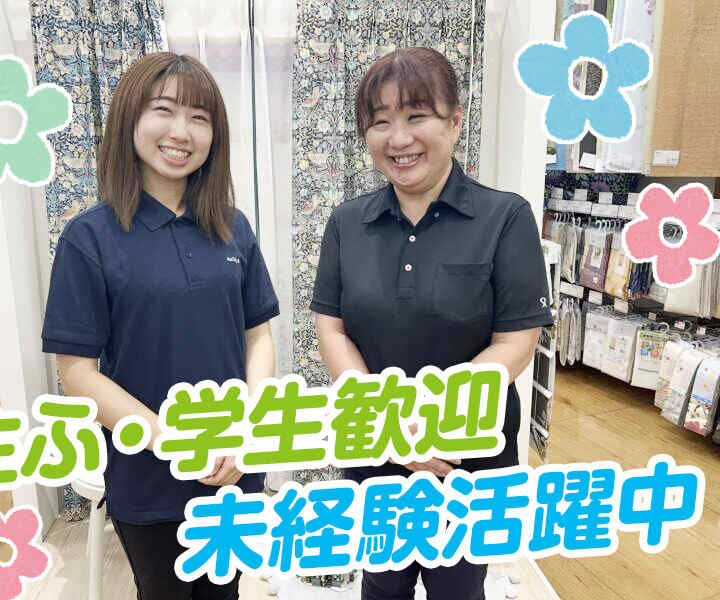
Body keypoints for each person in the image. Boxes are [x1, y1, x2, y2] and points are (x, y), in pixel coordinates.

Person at [311, 47, 553, 600]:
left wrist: (437, 422)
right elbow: (333, 329)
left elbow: (517, 341)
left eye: (416, 115)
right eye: (380, 122)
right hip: (374, 441)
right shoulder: (347, 223)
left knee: (458, 586)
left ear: (455, 120)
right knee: (381, 583)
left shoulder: (505, 217)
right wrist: (390, 425)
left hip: (467, 451)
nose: (399, 138)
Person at [42, 52, 279, 599]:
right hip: (149, 474)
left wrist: (246, 430)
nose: (181, 132)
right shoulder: (90, 237)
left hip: (233, 465)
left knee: (224, 592)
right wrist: (177, 442)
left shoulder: (233, 227)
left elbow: (258, 335)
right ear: (130, 119)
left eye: (199, 117)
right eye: (164, 110)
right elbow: (77, 374)